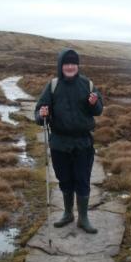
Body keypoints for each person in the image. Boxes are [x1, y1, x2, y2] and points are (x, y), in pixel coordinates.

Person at [34, 48, 103, 234]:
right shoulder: (53, 85)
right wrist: (42, 115)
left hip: (83, 143)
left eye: (73, 63)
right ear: (61, 65)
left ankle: (83, 218)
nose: (70, 66)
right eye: (67, 63)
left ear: (77, 65)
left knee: (82, 179)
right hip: (59, 143)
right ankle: (67, 213)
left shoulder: (87, 84)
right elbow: (39, 111)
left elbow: (98, 110)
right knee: (64, 179)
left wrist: (94, 103)